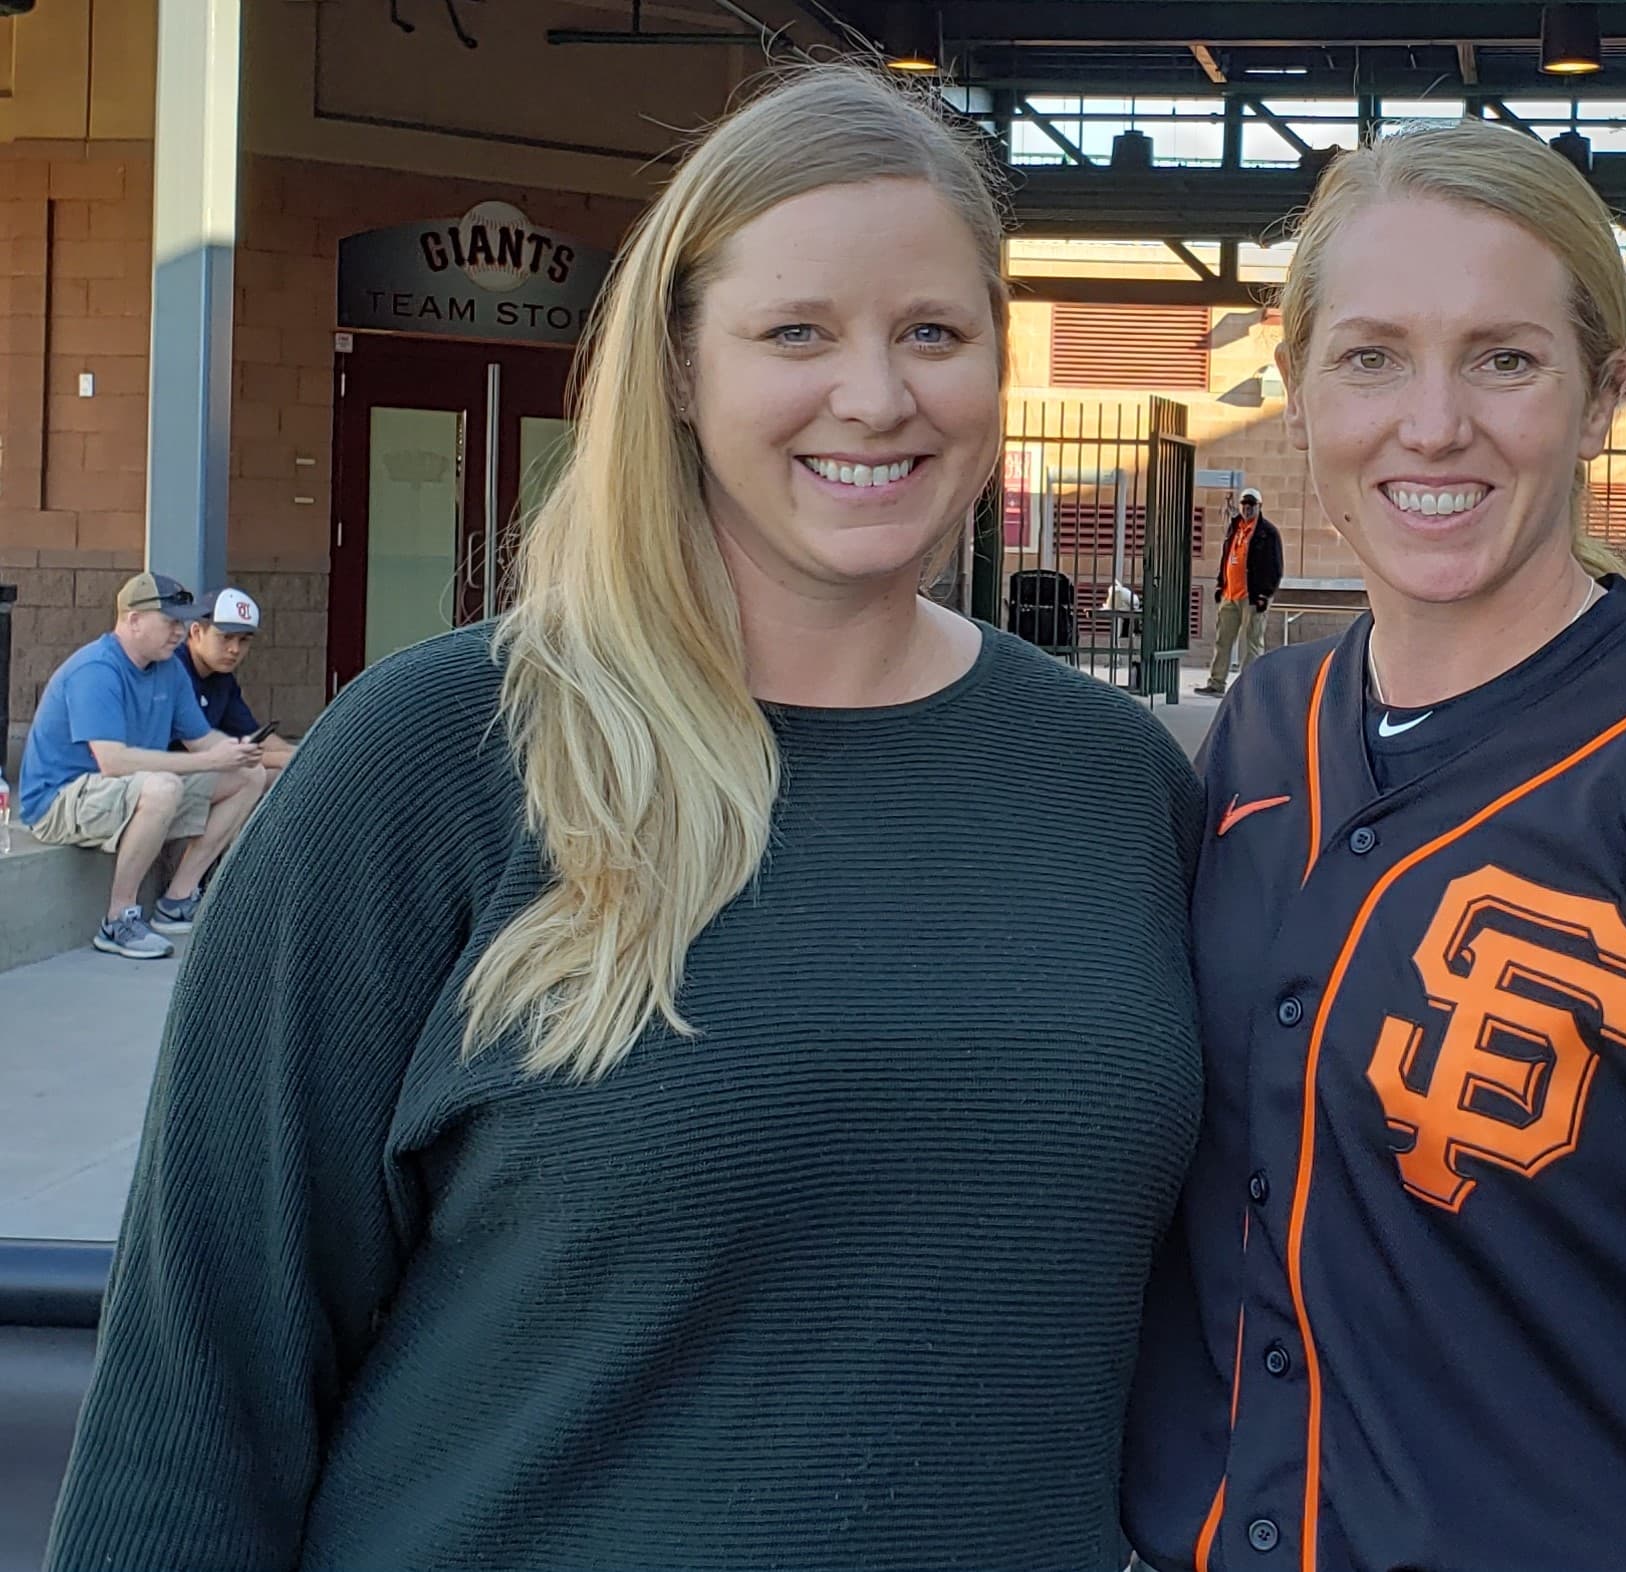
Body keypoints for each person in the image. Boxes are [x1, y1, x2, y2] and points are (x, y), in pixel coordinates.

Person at [49, 66, 1203, 1572]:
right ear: (676, 367)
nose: (874, 394)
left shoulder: (1119, 785)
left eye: (932, 331)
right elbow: (199, 1380)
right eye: (795, 331)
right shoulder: (435, 758)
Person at [1124, 119, 1626, 1572]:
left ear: (1596, 397)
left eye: (1501, 358)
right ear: (1302, 383)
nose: (1432, 423)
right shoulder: (1264, 726)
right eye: (1371, 355)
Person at [16, 572, 267, 960]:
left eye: (182, 622)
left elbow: (203, 741)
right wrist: (207, 760)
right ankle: (119, 920)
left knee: (249, 775)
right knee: (162, 786)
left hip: (125, 790)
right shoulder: (96, 670)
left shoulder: (168, 669)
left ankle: (178, 900)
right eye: (170, 622)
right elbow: (113, 762)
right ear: (133, 620)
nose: (180, 632)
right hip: (59, 800)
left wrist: (241, 752)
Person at [183, 586, 298, 778]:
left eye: (243, 640)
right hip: (159, 775)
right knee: (253, 776)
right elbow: (203, 752)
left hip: (195, 774)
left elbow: (252, 734)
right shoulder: (174, 671)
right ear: (197, 633)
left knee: (276, 777)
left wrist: (297, 754)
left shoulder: (221, 677)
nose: (235, 649)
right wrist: (284, 759)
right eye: (226, 637)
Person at [1195, 486, 1283, 696]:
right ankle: (1217, 683)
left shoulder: (1267, 533)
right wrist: (1220, 584)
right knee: (1222, 640)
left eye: (1252, 505)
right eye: (1244, 504)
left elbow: (1275, 567)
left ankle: (1250, 687)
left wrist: (1265, 594)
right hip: (1230, 594)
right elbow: (1227, 558)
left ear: (1259, 507)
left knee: (1251, 642)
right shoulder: (1235, 528)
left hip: (1252, 596)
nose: (1247, 508)